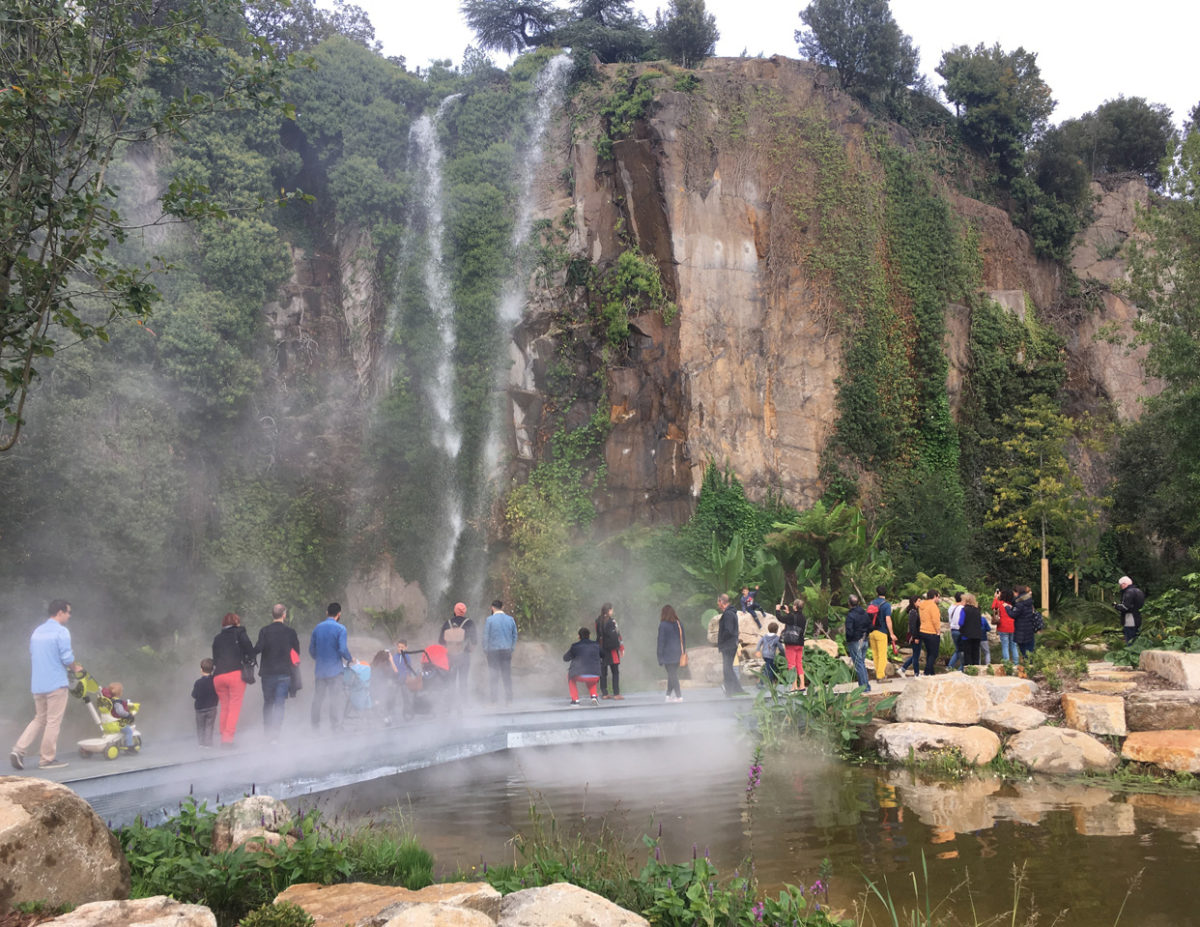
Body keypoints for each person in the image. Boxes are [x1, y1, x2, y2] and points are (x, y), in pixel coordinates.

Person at [11, 599, 81, 770]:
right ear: (60, 612)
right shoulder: (61, 631)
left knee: (39, 718)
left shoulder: (37, 632)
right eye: (68, 612)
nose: (69, 616)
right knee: (53, 721)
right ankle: (47, 759)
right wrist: (75, 668)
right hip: (56, 683)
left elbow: (34, 653)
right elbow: (66, 657)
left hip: (38, 684)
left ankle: (18, 750)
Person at [255, 603, 300, 743]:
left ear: (272, 615)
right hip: (284, 673)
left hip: (267, 673)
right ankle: (275, 735)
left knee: (268, 703)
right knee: (280, 704)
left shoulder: (264, 631)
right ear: (284, 615)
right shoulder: (290, 632)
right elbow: (296, 653)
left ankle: (267, 733)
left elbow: (258, 648)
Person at [212, 612, 255, 747]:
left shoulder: (217, 638)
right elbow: (249, 649)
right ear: (236, 622)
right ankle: (227, 740)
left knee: (224, 706)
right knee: (234, 707)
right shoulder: (240, 633)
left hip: (218, 676)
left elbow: (215, 657)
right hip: (235, 674)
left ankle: (223, 735)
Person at [309, 602, 352, 730]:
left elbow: (311, 649)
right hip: (335, 671)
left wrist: (320, 658)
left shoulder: (317, 628)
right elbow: (343, 649)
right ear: (339, 614)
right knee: (335, 698)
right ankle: (335, 726)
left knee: (318, 698)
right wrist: (350, 658)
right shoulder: (341, 629)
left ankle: (315, 725)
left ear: (327, 613)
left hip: (320, 670)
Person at [439, 602, 477, 703]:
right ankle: (464, 703)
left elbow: (441, 642)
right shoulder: (469, 623)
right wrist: (468, 650)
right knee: (463, 680)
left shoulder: (447, 623)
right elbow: (474, 642)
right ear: (464, 611)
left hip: (450, 657)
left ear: (454, 611)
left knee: (450, 680)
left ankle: (450, 703)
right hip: (464, 656)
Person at [483, 599, 517, 704]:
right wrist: (511, 648)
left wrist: (485, 649)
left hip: (493, 651)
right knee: (506, 675)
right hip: (506, 650)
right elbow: (515, 635)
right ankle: (509, 699)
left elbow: (486, 636)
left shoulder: (489, 620)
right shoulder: (510, 619)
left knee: (494, 676)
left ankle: (494, 700)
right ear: (502, 608)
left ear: (492, 608)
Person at [563, 626, 602, 706]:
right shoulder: (596, 645)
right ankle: (594, 696)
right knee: (591, 674)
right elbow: (603, 655)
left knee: (569, 676)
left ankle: (575, 700)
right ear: (589, 636)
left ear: (579, 636)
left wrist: (574, 655)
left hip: (579, 675)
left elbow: (565, 658)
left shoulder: (575, 646)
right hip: (595, 675)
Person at [716, 592, 746, 695]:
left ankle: (730, 690)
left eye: (718, 602)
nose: (717, 604)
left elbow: (728, 630)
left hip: (728, 644)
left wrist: (722, 640)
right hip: (731, 644)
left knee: (727, 668)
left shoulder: (728, 614)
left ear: (721, 601)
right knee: (728, 668)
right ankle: (737, 689)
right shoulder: (731, 612)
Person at [657, 605, 686, 702]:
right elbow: (683, 639)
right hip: (678, 654)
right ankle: (668, 696)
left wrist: (660, 656)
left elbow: (661, 641)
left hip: (667, 655)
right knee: (672, 674)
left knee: (672, 675)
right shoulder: (678, 623)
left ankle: (679, 696)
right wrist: (683, 652)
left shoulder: (663, 625)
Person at [867, 586, 897, 682]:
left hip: (871, 632)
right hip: (881, 632)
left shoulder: (871, 603)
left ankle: (878, 673)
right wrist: (891, 633)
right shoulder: (886, 605)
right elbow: (888, 619)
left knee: (875, 654)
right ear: (885, 593)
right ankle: (880, 676)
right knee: (882, 655)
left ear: (877, 593)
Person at [594, 603, 623, 699]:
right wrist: (620, 647)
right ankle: (616, 693)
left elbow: (598, 635)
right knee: (615, 672)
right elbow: (617, 635)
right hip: (612, 650)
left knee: (603, 672)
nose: (612, 611)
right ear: (609, 610)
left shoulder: (597, 621)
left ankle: (605, 693)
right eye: (612, 609)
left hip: (601, 648)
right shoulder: (612, 621)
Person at [844, 594, 871, 691]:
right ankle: (866, 685)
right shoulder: (864, 613)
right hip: (864, 640)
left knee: (859, 664)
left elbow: (849, 630)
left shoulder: (851, 616)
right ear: (858, 602)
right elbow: (870, 626)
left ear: (849, 603)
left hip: (855, 641)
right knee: (862, 663)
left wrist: (849, 639)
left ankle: (864, 688)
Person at [780, 598, 807, 690]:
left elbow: (781, 618)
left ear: (795, 606)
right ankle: (802, 685)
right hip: (800, 643)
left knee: (791, 664)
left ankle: (794, 686)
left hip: (791, 643)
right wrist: (788, 612)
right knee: (799, 663)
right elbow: (793, 620)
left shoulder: (791, 617)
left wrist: (777, 610)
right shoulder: (803, 617)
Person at [192, 658, 218, 747]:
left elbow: (194, 695)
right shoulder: (214, 681)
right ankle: (208, 744)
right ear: (212, 669)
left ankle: (201, 743)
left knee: (200, 727)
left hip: (200, 708)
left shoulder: (198, 682)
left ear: (201, 669)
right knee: (209, 727)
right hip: (212, 707)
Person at [102, 682, 137, 748]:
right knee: (129, 731)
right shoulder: (117, 702)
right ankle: (130, 746)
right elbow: (120, 712)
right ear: (120, 693)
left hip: (107, 724)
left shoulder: (108, 701)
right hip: (116, 724)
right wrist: (128, 715)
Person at [916, 590, 943, 677]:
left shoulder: (922, 605)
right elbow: (935, 620)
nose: (938, 599)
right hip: (932, 632)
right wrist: (938, 631)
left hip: (923, 630)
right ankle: (927, 672)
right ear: (934, 596)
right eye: (938, 597)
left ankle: (931, 672)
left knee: (929, 652)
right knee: (934, 653)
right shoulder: (933, 606)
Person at [1010, 585, 1040, 659]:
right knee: (1030, 647)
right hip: (1029, 627)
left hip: (1021, 628)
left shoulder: (1019, 603)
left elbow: (1013, 614)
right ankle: (1030, 662)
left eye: (1014, 593)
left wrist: (1007, 608)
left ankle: (1027, 662)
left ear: (1017, 592)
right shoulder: (1029, 601)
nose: (1013, 595)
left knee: (1022, 647)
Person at [1116, 576, 1146, 644]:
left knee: (1129, 638)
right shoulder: (1139, 591)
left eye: (1121, 585)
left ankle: (1130, 652)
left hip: (1129, 618)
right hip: (1138, 617)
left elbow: (1125, 607)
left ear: (1124, 584)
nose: (1121, 587)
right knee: (1136, 637)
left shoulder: (1128, 592)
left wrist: (1116, 606)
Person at [958, 593, 985, 666]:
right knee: (975, 653)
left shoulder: (964, 610)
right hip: (977, 635)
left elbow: (960, 622)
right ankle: (976, 668)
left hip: (966, 635)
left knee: (967, 653)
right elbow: (981, 623)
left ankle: (969, 669)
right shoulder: (977, 610)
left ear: (966, 601)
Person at [898, 596, 922, 677]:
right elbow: (912, 626)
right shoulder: (913, 612)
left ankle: (903, 669)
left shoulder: (915, 611)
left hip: (917, 636)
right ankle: (916, 673)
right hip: (915, 637)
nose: (920, 602)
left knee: (916, 655)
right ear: (914, 602)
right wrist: (915, 637)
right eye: (919, 601)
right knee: (916, 656)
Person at [992, 588, 1017, 664]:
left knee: (1005, 646)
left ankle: (1007, 664)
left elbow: (993, 607)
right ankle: (1016, 663)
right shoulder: (1014, 605)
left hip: (1003, 627)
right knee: (1014, 646)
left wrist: (996, 597)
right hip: (1014, 627)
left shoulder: (1000, 603)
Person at [755, 621, 783, 686]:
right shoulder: (776, 638)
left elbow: (759, 643)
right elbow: (781, 647)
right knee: (769, 670)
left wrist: (758, 650)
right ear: (776, 630)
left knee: (771, 667)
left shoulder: (764, 636)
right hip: (770, 656)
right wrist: (783, 654)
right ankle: (762, 683)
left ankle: (771, 681)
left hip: (764, 655)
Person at [947, 592, 965, 671]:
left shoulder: (951, 607)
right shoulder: (962, 608)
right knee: (962, 650)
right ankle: (962, 668)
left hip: (953, 630)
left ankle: (950, 667)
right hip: (960, 630)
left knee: (958, 650)